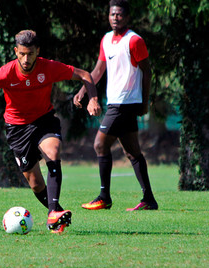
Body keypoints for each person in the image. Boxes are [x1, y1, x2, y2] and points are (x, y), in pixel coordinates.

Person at [0, 30, 101, 233]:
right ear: (16, 51)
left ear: (37, 51)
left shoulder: (48, 67)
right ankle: (55, 213)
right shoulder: (6, 72)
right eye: (22, 53)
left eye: (30, 54)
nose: (26, 59)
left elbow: (85, 75)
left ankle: (53, 212)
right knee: (35, 183)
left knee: (53, 152)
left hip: (44, 121)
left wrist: (92, 98)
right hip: (17, 129)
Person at [74, 0, 158, 211]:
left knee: (100, 145)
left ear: (127, 17)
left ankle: (104, 197)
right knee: (133, 152)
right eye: (112, 14)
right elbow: (98, 70)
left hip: (124, 104)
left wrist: (144, 102)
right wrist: (84, 90)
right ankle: (149, 199)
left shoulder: (134, 41)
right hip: (116, 102)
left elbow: (147, 72)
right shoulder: (106, 39)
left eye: (119, 15)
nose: (115, 18)